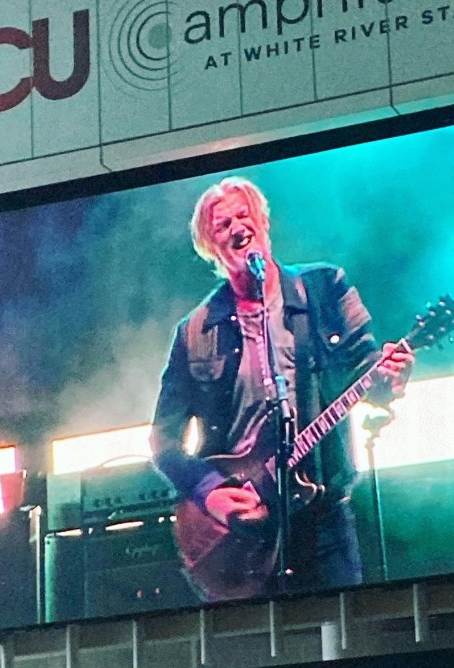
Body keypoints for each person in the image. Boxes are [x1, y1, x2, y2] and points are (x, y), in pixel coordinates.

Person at [150, 176, 414, 598]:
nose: (237, 227)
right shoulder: (194, 331)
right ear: (211, 247)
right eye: (223, 225)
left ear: (263, 222)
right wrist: (211, 493)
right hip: (240, 532)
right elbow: (164, 442)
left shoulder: (325, 288)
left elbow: (368, 379)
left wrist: (389, 377)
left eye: (244, 215)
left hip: (322, 516)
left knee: (341, 627)